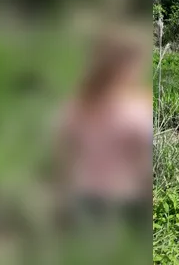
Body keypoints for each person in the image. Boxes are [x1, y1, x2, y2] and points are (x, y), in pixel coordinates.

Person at [55, 30, 152, 232]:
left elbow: (64, 149)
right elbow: (141, 159)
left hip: (83, 189)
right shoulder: (135, 107)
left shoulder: (77, 101)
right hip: (123, 193)